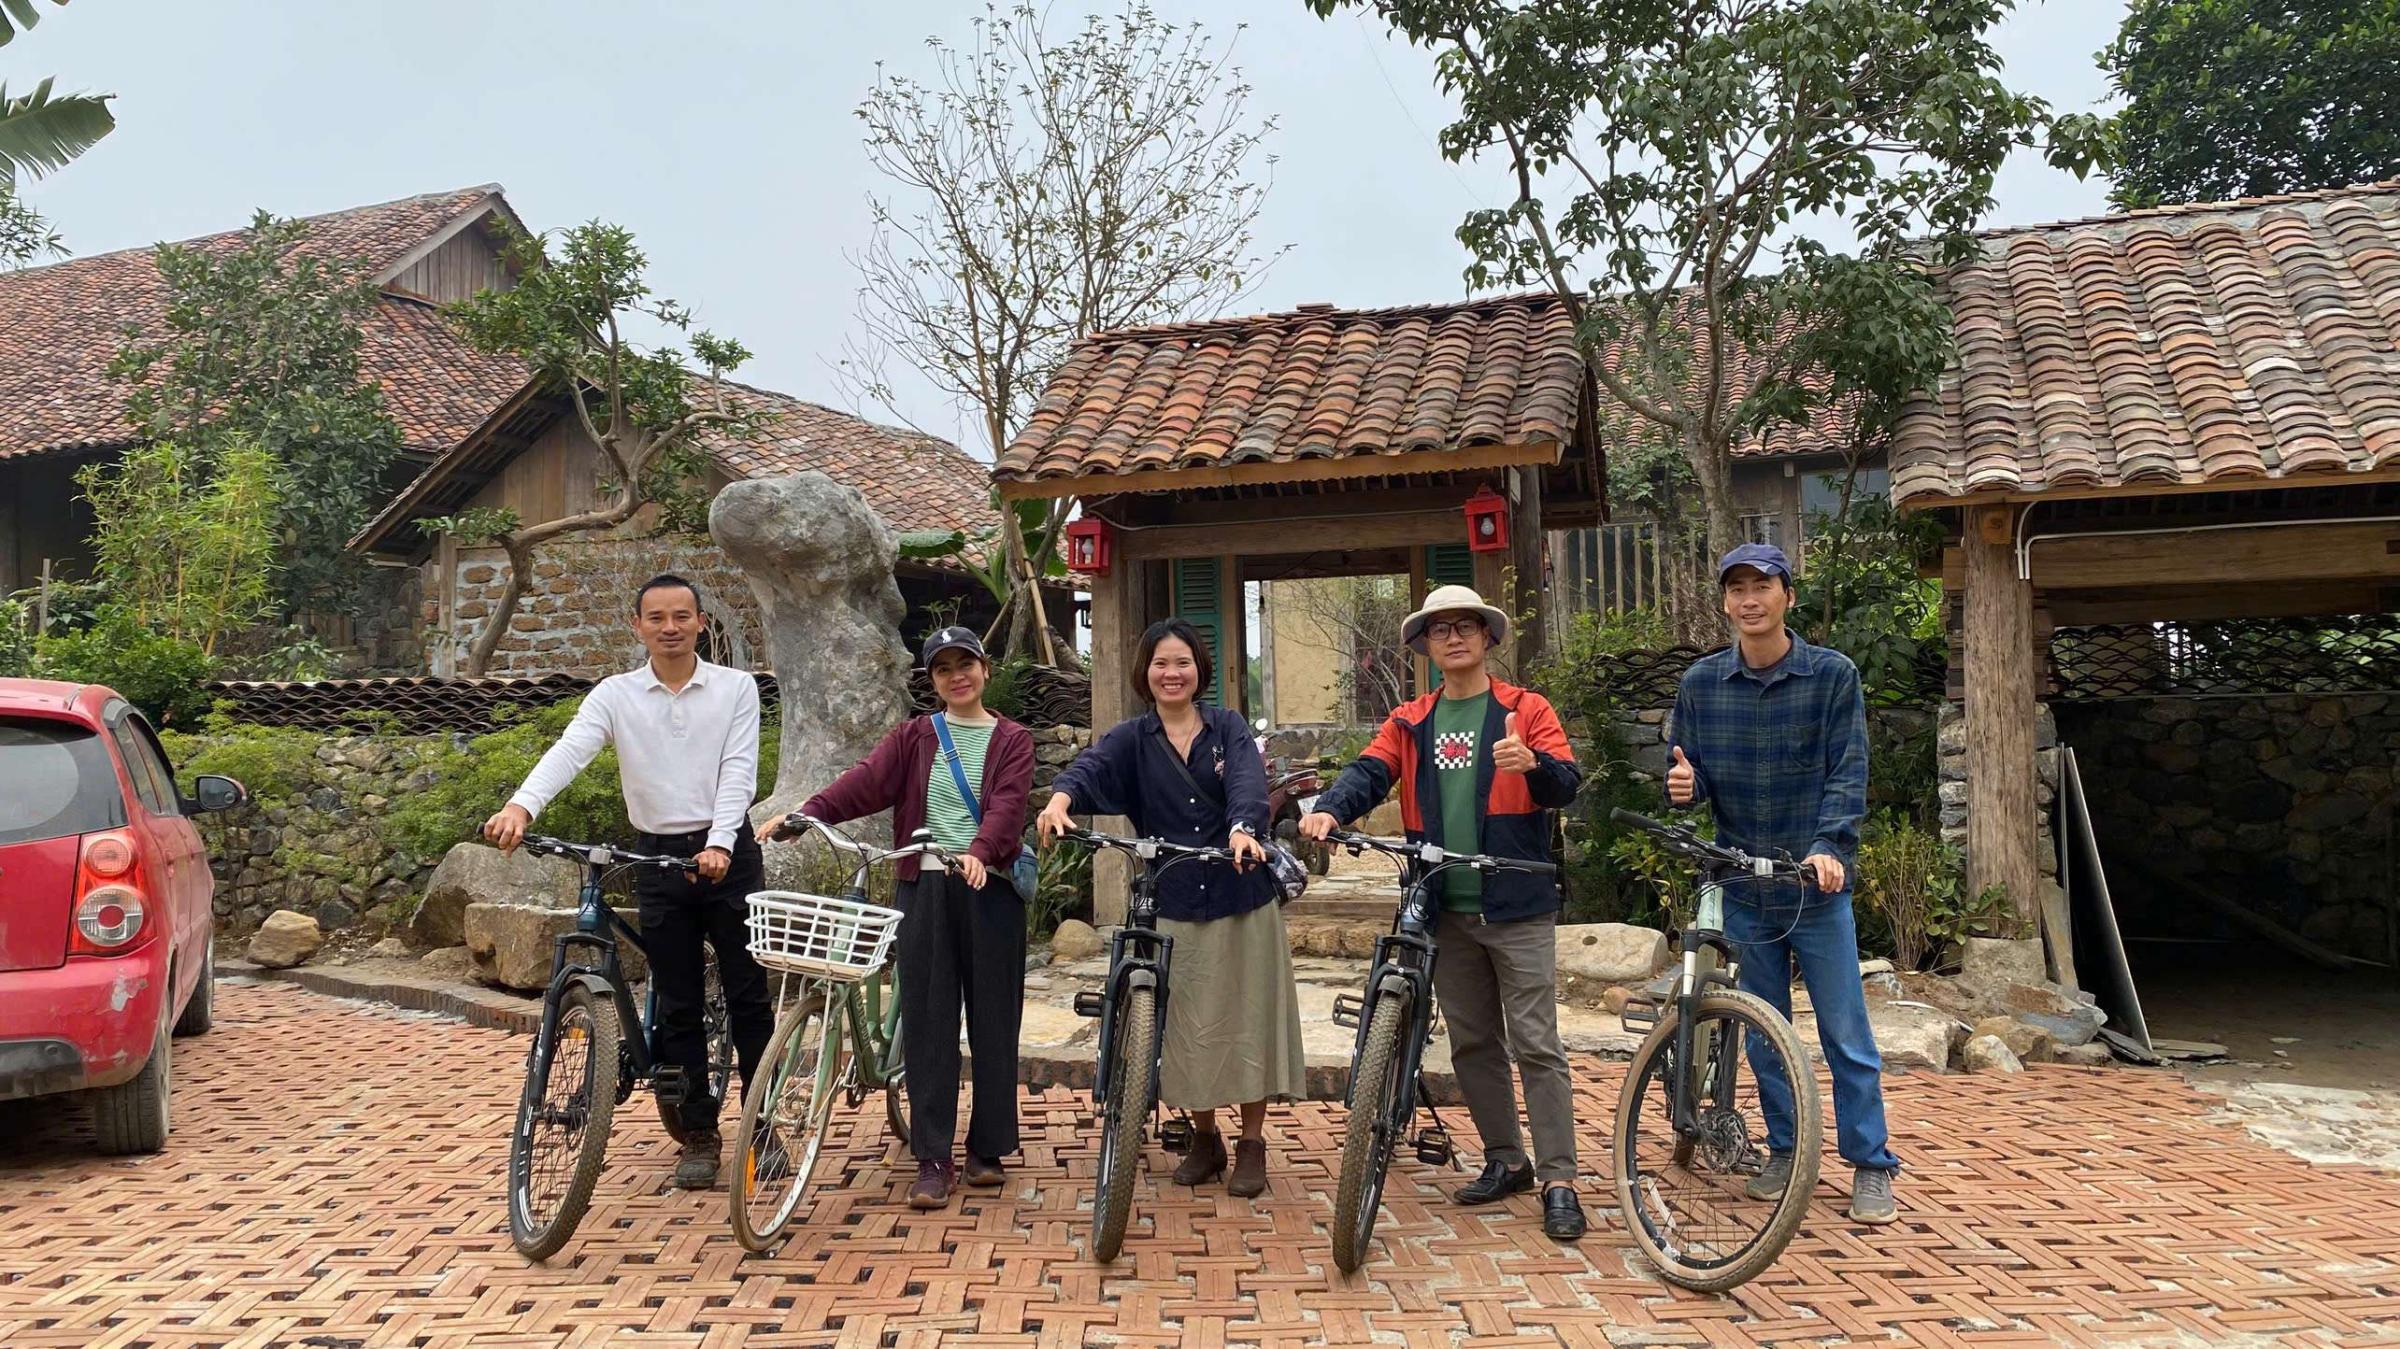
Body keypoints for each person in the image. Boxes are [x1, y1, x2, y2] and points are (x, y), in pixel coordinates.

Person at [1300, 584, 1589, 1242]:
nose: (1453, 637)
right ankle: (1506, 1159)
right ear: (1425, 646)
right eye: (1439, 629)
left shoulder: (1525, 709)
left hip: (1516, 903)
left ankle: (1560, 1179)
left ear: (1488, 637)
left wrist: (1533, 764)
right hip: (1443, 906)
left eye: (1465, 626)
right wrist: (1330, 810)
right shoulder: (1411, 720)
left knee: (1537, 1044)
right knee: (1473, 1042)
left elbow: (1566, 784)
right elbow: (1368, 772)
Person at [482, 573, 774, 1191]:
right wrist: (520, 806)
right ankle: (698, 1132)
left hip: (728, 855)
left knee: (748, 995)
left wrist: (721, 842)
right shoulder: (615, 695)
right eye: (656, 618)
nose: (670, 628)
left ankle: (763, 1123)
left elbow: (739, 770)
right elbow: (570, 750)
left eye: (682, 616)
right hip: (656, 857)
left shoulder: (736, 688)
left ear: (701, 623)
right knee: (677, 1000)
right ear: (638, 626)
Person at [1667, 542, 1901, 1224]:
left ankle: (1871, 1162)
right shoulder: (1702, 684)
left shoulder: (1832, 676)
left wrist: (1830, 847)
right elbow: (1688, 773)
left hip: (1814, 887)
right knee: (1763, 1032)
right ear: (1724, 602)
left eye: (1762, 585)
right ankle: (1785, 1150)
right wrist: (1682, 786)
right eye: (1736, 588)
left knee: (1845, 1032)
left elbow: (1847, 772)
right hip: (1745, 887)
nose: (1749, 599)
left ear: (1787, 597)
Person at [764, 627, 1036, 1210]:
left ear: (985, 669)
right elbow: (865, 781)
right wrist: (806, 813)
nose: (957, 676)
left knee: (993, 1019)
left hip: (990, 890)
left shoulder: (1012, 739)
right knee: (928, 1022)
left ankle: (988, 1148)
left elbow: (1009, 806)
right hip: (925, 887)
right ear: (932, 680)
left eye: (966, 664)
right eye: (944, 669)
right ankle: (933, 1157)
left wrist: (980, 851)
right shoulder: (915, 737)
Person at [1035, 618, 1304, 1197]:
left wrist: (1243, 827)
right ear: (1146, 672)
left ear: (1199, 670)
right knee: (1187, 1029)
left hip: (1240, 893)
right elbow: (1090, 767)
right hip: (1173, 899)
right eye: (1161, 663)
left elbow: (1248, 786)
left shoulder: (1227, 727)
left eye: (1182, 662)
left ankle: (1252, 1142)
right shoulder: (1133, 737)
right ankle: (1206, 1138)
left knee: (1249, 1022)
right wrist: (1060, 800)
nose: (1171, 673)